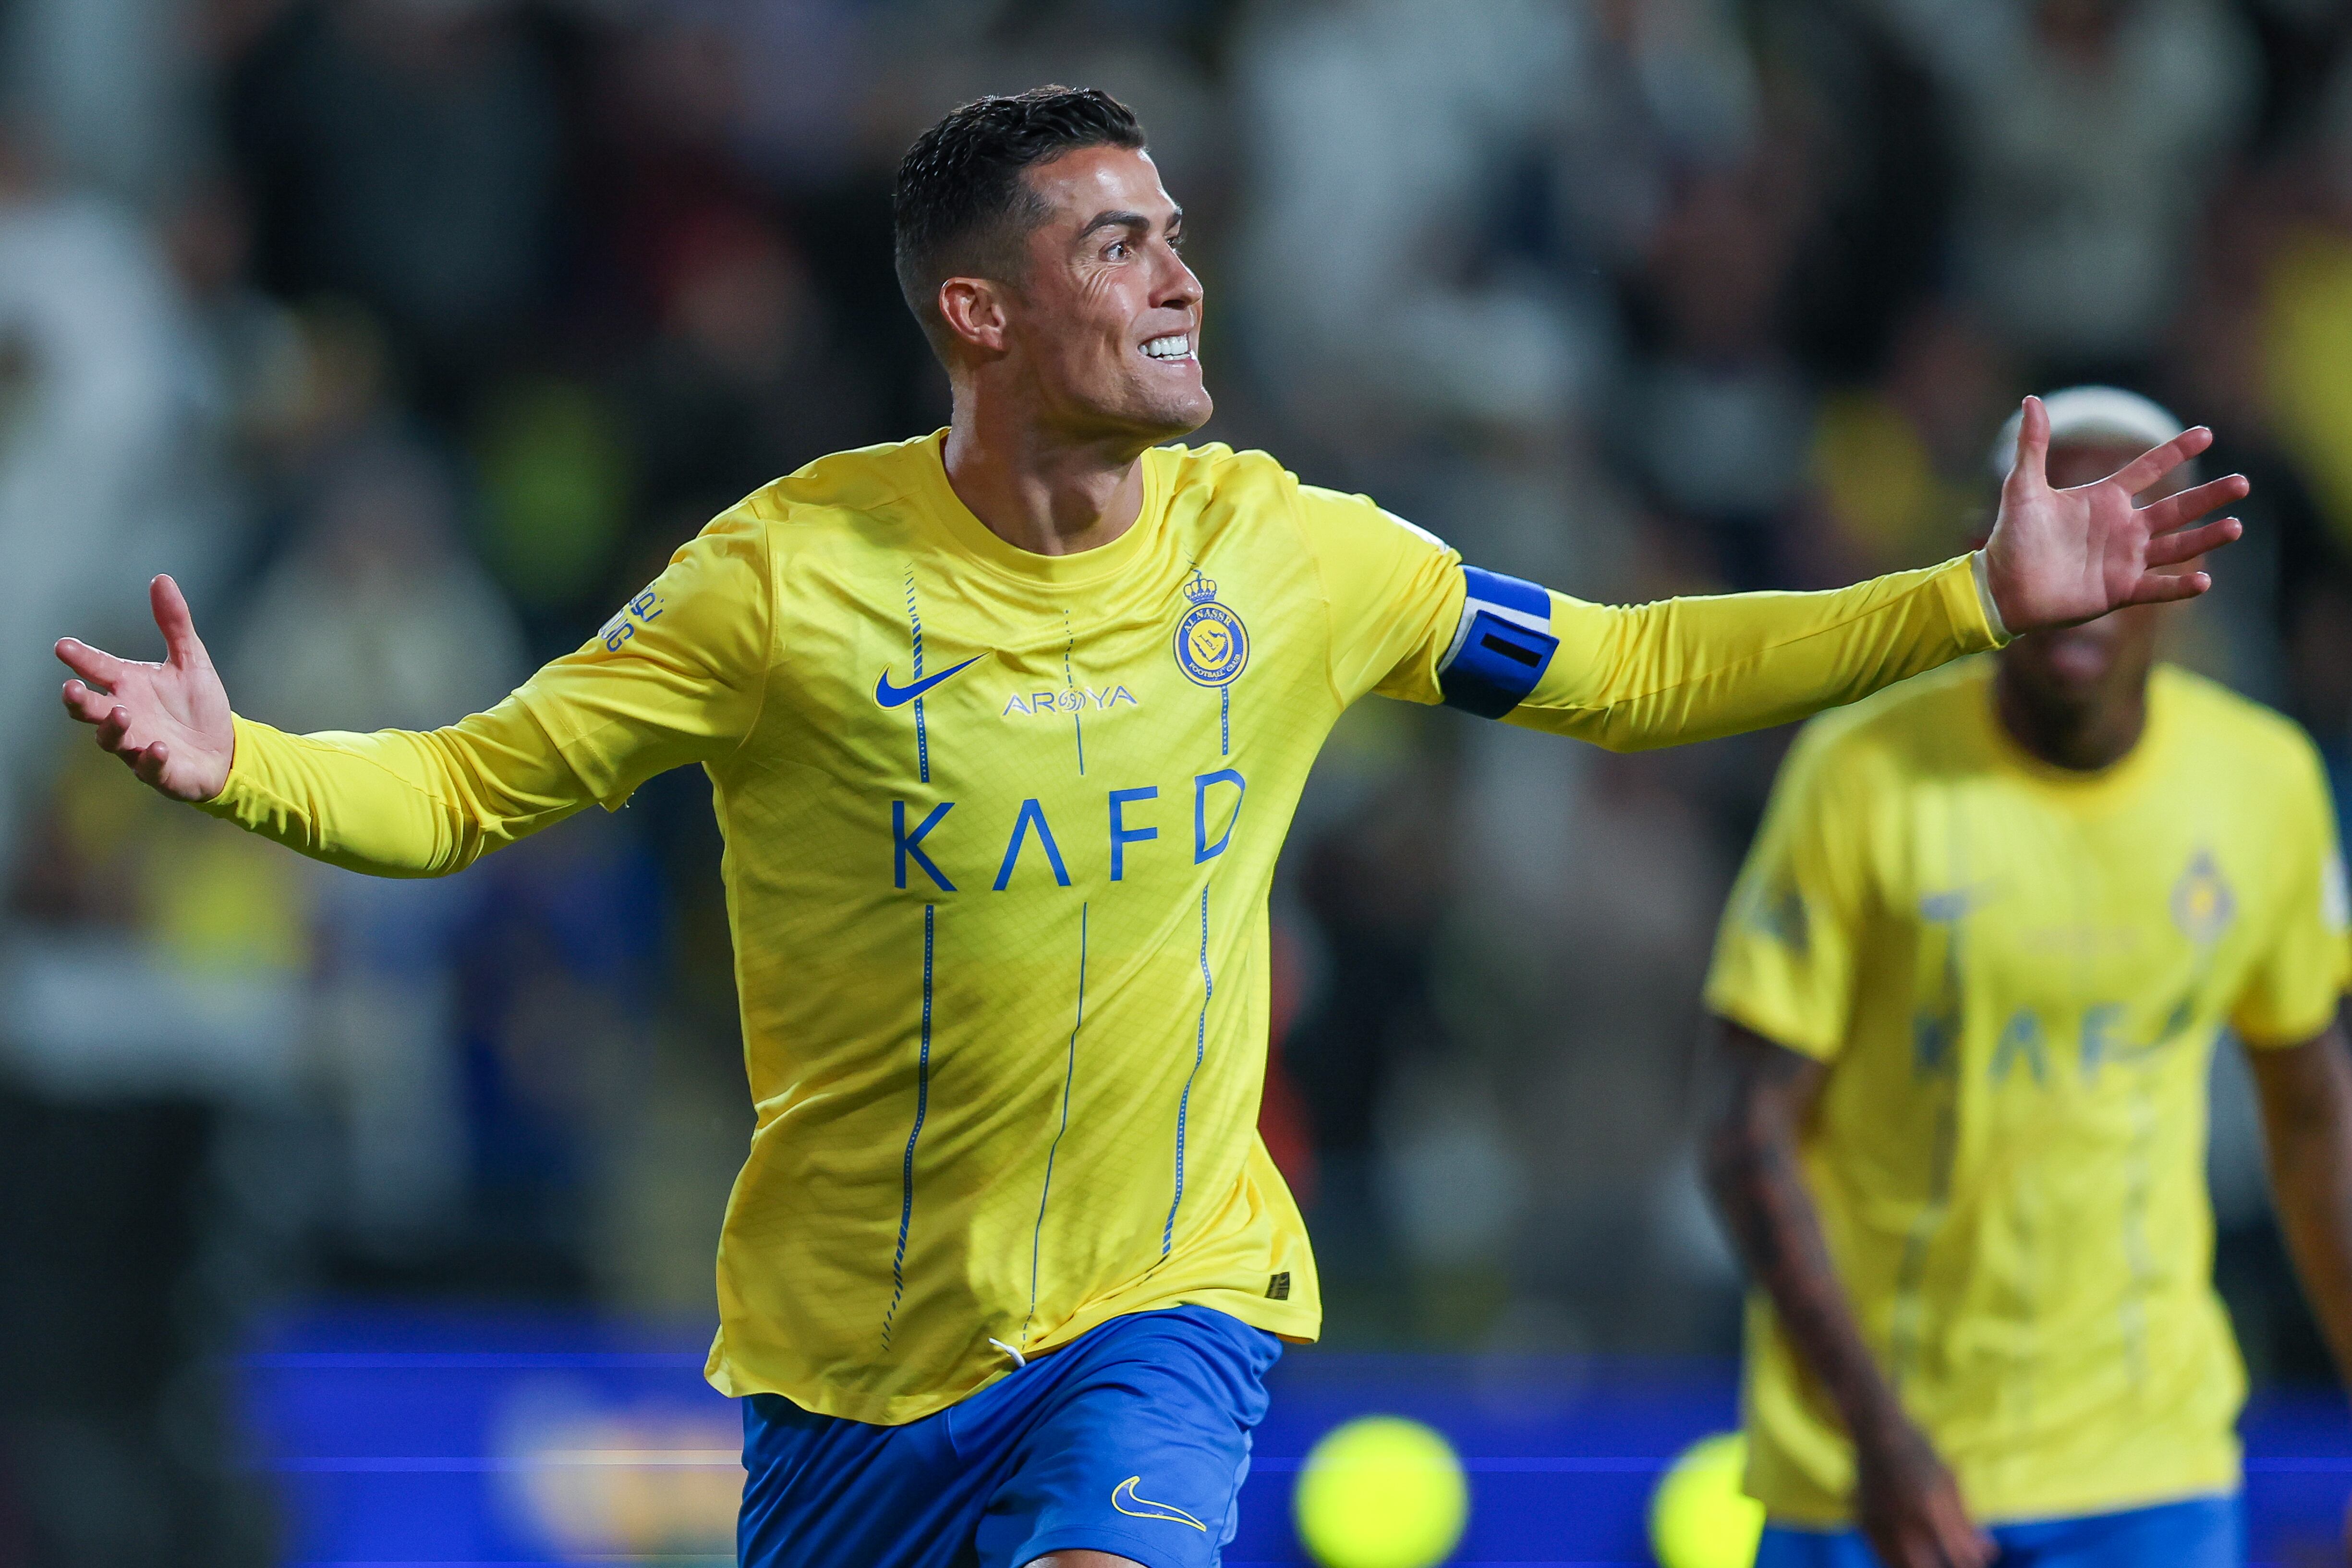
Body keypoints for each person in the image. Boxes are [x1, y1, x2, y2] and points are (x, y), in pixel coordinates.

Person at [59, 91, 2243, 1568]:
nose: (1181, 278)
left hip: (1164, 1305)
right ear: (977, 314)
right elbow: (461, 786)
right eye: (1118, 246)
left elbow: (1620, 669)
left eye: (1177, 236)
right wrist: (242, 758)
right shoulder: (778, 584)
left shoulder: (1282, 551)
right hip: (845, 1371)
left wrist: (1961, 598)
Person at [1702, 387, 2352, 1568]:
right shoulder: (1862, 771)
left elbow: (2311, 1115)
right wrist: (1878, 1439)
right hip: (1880, 1468)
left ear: (2190, 564)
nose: (2088, 571)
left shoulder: (2265, 785)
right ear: (1988, 550)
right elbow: (1747, 1136)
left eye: (2127, 531)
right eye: (2052, 522)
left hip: (2150, 1462)